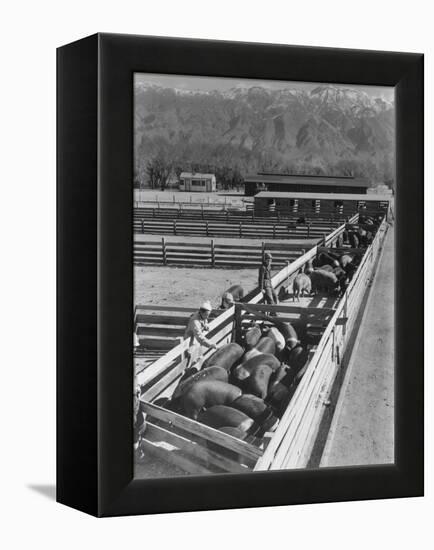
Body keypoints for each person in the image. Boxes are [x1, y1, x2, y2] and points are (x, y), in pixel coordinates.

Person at [184, 300, 217, 368]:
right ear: (202, 312)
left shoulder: (201, 315)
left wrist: (206, 326)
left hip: (196, 342)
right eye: (206, 315)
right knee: (191, 360)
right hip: (191, 343)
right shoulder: (195, 321)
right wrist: (210, 344)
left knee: (198, 358)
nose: (207, 317)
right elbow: (199, 336)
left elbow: (204, 321)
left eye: (208, 315)